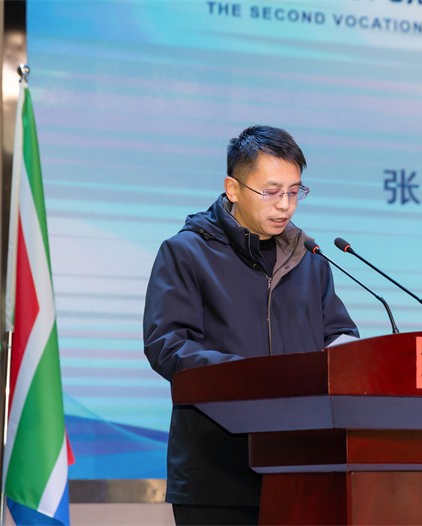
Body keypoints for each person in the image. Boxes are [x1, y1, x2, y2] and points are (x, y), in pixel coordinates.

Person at [143, 125, 359, 525]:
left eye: (294, 192)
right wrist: (254, 377)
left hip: (304, 468)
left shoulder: (310, 260)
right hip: (217, 473)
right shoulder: (186, 252)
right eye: (272, 192)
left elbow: (340, 338)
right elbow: (167, 345)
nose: (285, 206)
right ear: (233, 188)